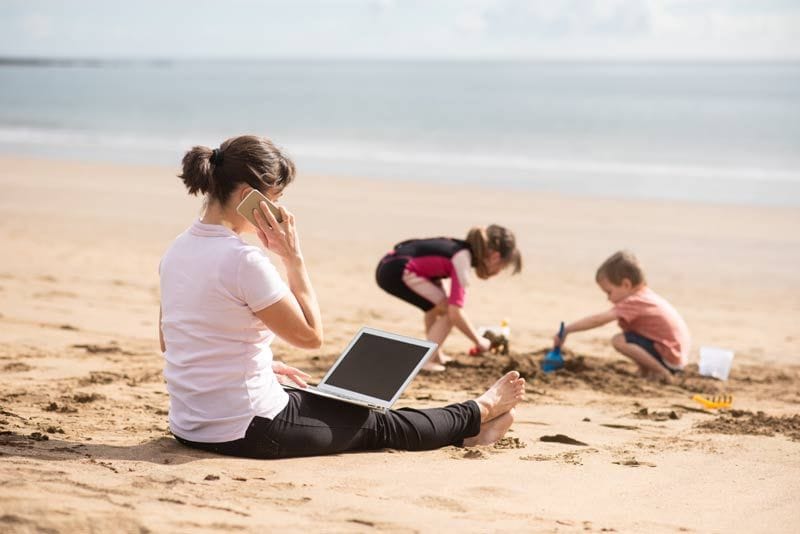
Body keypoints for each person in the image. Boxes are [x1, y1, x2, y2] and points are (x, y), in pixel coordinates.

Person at [158, 135, 526, 459]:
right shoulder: (244, 260)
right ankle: (479, 410)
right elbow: (310, 336)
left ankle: (472, 436)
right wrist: (292, 259)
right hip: (250, 429)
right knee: (379, 424)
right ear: (246, 197)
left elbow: (173, 338)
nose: (281, 211)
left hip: (191, 424)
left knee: (338, 401)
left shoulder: (177, 250)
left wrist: (261, 364)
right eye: (276, 198)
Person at [375, 227, 522, 371]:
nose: (498, 272)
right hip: (399, 270)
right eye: (501, 267)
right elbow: (455, 313)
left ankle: (435, 355)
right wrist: (479, 341)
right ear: (495, 257)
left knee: (436, 307)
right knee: (448, 312)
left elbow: (431, 264)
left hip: (389, 264)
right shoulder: (462, 260)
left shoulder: (458, 248)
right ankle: (424, 361)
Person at [554, 250, 691, 381]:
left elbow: (598, 320)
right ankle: (646, 370)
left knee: (619, 340)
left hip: (669, 357)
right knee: (632, 334)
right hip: (674, 354)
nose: (608, 299)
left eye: (609, 292)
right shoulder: (645, 296)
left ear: (626, 284)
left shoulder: (634, 301)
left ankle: (661, 372)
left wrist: (567, 330)